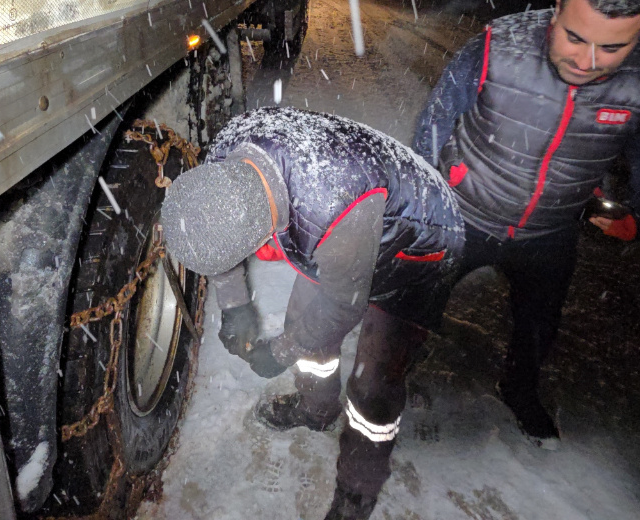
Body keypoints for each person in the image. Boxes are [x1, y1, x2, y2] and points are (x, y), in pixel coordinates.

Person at [413, 0, 640, 448]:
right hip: (463, 213)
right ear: (557, 7)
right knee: (409, 301)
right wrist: (427, 198)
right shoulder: (501, 44)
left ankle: (519, 390)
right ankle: (395, 368)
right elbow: (435, 120)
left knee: (539, 324)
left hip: (550, 231)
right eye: (574, 37)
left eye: (612, 49)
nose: (586, 61)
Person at [161, 106, 464, 520]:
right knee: (303, 324)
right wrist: (234, 307)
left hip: (421, 244)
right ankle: (317, 410)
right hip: (346, 227)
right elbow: (219, 244)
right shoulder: (225, 163)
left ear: (264, 231)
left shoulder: (331, 204)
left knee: (372, 390)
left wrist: (280, 352)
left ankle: (355, 498)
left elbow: (344, 305)